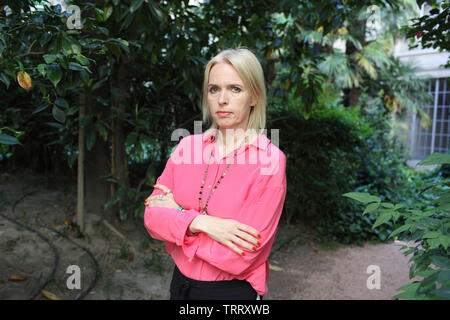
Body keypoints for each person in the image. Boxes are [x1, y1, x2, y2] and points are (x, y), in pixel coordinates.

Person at [144, 47, 287, 300]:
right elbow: (152, 218)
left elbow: (239, 256)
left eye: (235, 89)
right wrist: (202, 223)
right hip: (180, 286)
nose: (222, 99)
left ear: (253, 96)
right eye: (214, 89)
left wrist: (177, 217)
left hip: (231, 293)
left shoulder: (270, 161)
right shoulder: (187, 147)